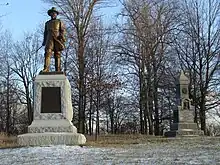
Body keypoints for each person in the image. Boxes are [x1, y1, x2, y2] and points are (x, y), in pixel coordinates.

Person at [42, 7, 66, 72]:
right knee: (47, 52)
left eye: (54, 13)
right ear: (50, 14)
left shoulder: (59, 21)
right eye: (52, 13)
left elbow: (63, 30)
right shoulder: (47, 23)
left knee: (57, 53)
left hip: (57, 38)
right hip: (49, 38)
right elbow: (45, 32)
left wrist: (62, 36)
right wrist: (44, 41)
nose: (53, 14)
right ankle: (46, 68)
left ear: (56, 14)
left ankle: (58, 69)